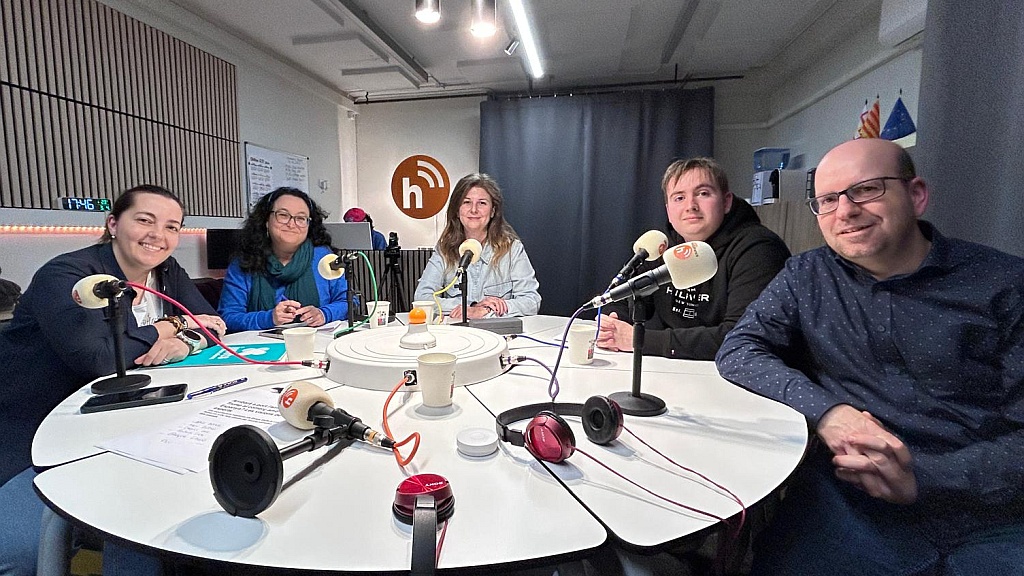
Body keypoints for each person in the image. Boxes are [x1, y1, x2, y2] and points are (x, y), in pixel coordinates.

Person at [716, 138, 1024, 575]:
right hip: (851, 501)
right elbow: (739, 350)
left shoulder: (1005, 284)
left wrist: (925, 478)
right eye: (827, 200)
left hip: (990, 508)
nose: (845, 211)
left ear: (916, 195)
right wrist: (827, 412)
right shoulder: (806, 276)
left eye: (866, 190)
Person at [0, 184, 224, 575]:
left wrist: (182, 343)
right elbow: (99, 358)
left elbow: (213, 325)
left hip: (133, 419)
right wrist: (166, 327)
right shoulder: (68, 275)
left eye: (171, 226)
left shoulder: (166, 271)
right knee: (20, 553)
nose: (158, 235)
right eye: (145, 220)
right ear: (113, 224)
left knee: (168, 516)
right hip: (45, 427)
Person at [597, 157, 790, 360]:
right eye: (679, 198)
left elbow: (742, 336)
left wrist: (640, 340)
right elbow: (620, 299)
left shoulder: (759, 249)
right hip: (673, 366)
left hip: (733, 367)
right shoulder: (660, 245)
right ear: (668, 210)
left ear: (726, 202)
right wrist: (613, 323)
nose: (691, 206)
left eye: (703, 193)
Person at [219, 187, 351, 332]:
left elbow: (348, 301)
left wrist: (323, 314)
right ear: (266, 220)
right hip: (260, 344)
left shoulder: (323, 257)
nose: (291, 224)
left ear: (309, 225)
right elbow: (228, 317)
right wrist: (269, 318)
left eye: (300, 218)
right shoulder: (244, 261)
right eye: (283, 215)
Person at [414, 173, 541, 320]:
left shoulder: (512, 249)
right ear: (457, 210)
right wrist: (471, 307)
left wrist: (486, 311)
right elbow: (422, 298)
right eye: (467, 202)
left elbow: (531, 301)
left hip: (498, 331)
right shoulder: (444, 249)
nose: (473, 210)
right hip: (457, 331)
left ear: (493, 211)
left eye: (482, 203)